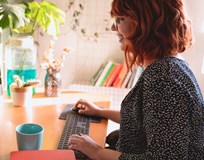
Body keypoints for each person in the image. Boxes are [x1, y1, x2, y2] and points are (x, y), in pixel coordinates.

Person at [68, 0, 204, 159]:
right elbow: (146, 119)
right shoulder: (170, 65)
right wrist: (100, 111)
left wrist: (97, 151)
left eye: (120, 20)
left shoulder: (163, 78)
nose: (113, 27)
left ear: (145, 24)